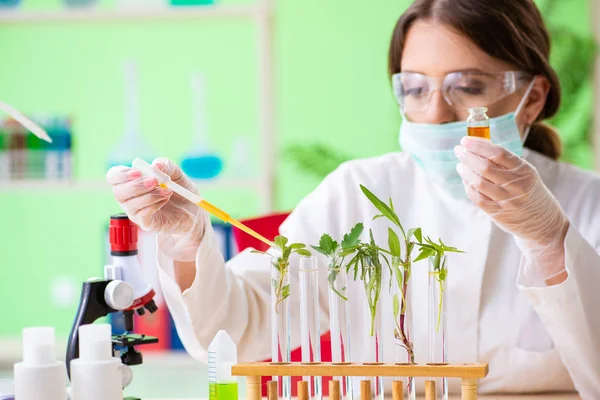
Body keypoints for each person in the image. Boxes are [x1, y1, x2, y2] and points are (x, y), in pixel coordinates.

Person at [107, 0, 600, 396]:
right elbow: (239, 330)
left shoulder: (588, 205)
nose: (434, 113)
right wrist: (188, 241)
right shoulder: (360, 194)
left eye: (466, 87)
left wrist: (549, 240)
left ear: (531, 98)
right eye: (414, 88)